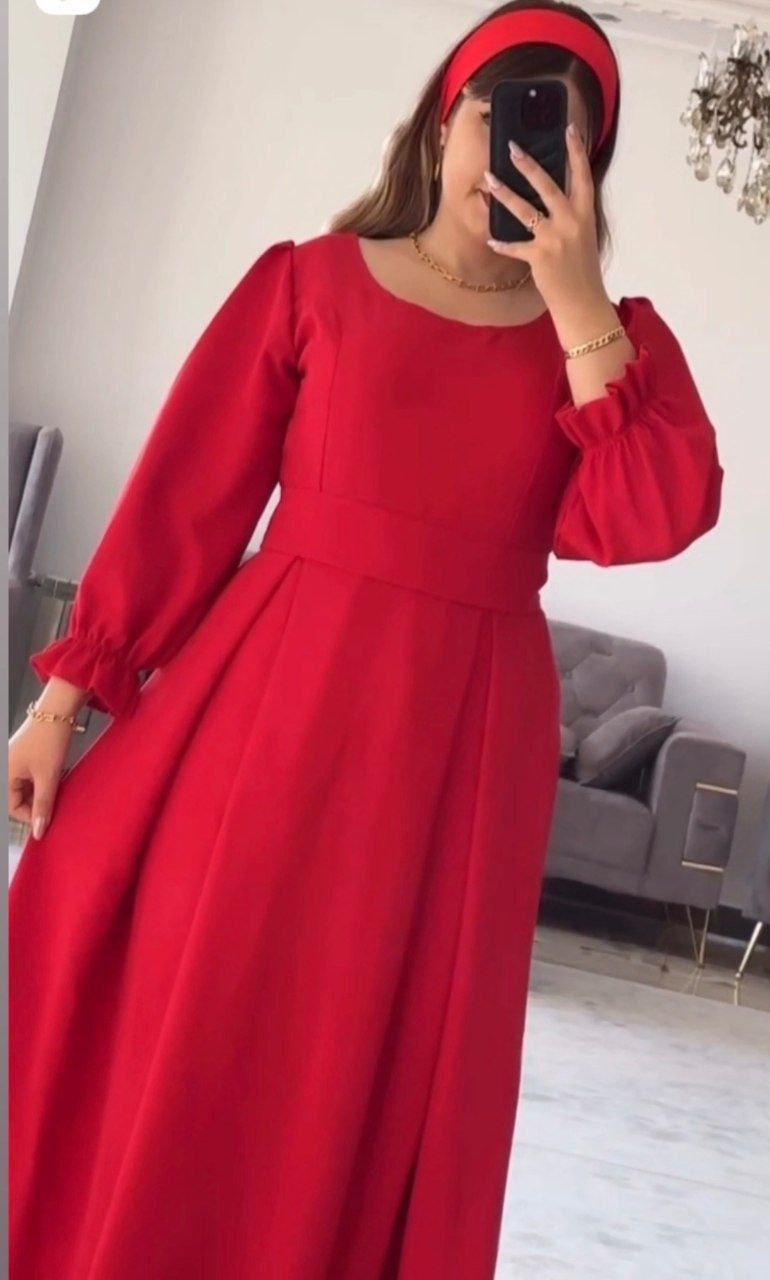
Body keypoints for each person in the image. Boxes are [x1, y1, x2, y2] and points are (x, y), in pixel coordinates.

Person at [8, 2, 724, 1276]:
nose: (513, 153)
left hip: (461, 744)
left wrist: (574, 298)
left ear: (584, 173)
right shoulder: (310, 283)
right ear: (443, 122)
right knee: (200, 984)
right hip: (270, 702)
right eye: (498, 113)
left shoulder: (605, 346)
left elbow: (649, 514)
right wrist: (62, 703)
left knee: (374, 1042)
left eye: (558, 136)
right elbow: (184, 499)